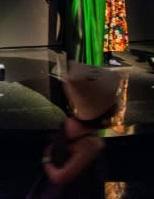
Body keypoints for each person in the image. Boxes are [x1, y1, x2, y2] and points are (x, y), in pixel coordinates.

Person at [28, 62, 120, 198]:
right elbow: (60, 177)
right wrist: (46, 160)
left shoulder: (70, 122)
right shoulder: (91, 144)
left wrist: (48, 157)